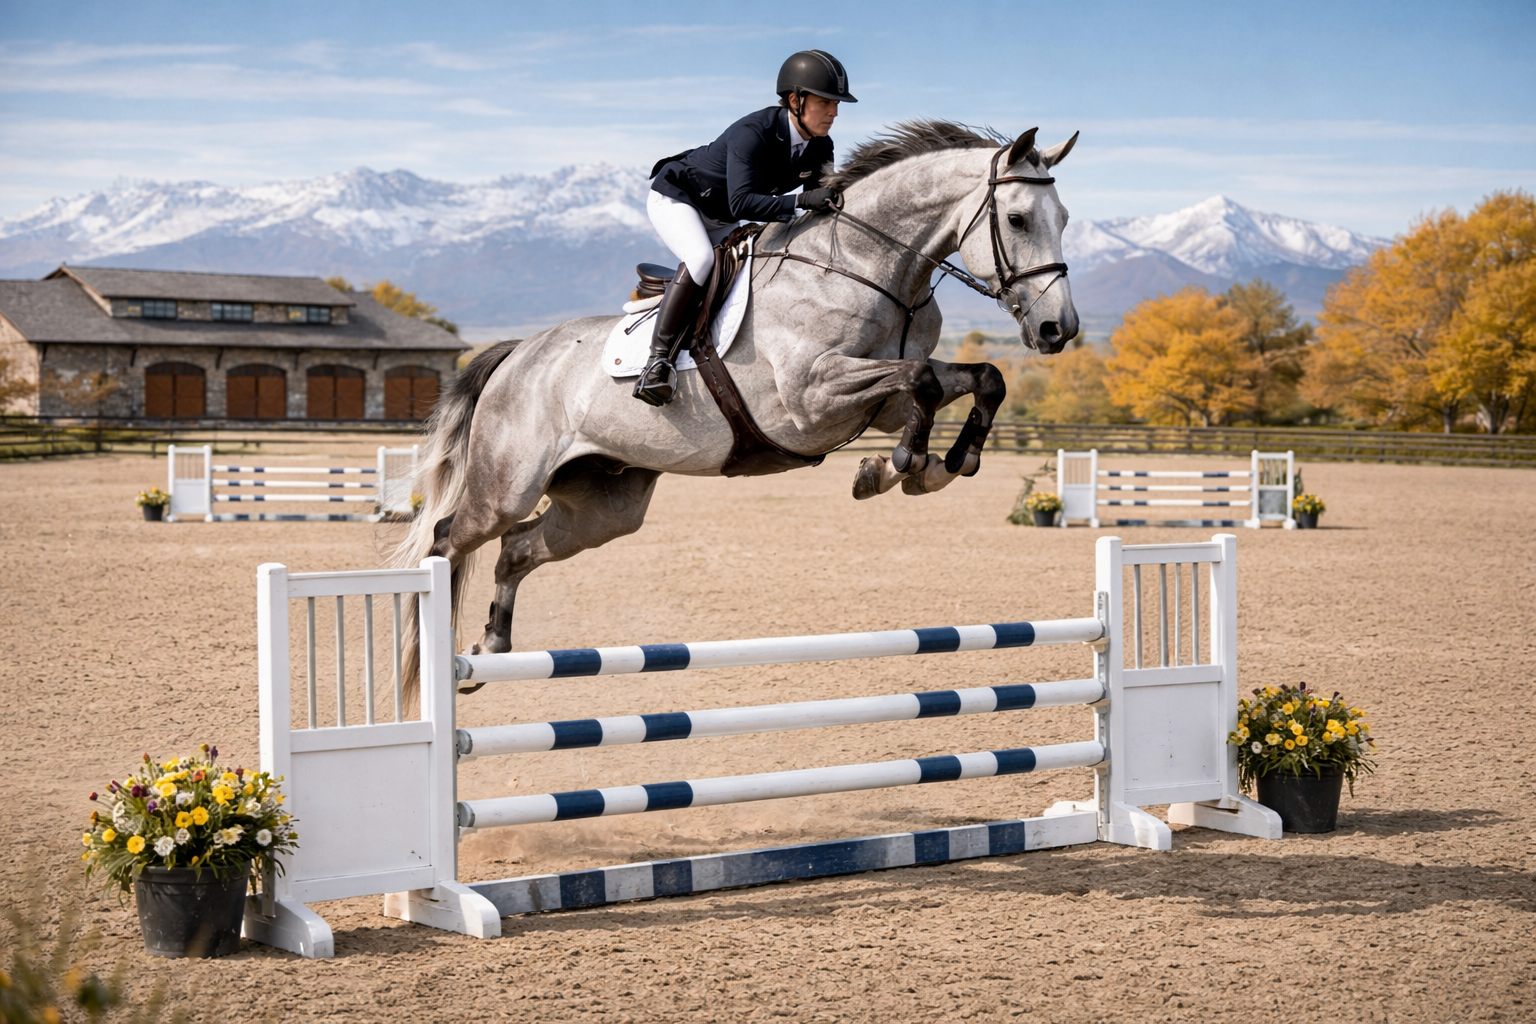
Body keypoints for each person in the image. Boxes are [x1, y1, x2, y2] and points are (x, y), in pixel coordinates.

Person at [633, 50, 857, 406]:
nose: (834, 113)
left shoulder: (821, 146)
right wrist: (800, 202)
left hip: (720, 217)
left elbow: (822, 201)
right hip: (679, 199)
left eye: (837, 104)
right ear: (795, 100)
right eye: (825, 103)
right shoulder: (753, 133)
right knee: (701, 259)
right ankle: (656, 363)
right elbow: (744, 203)